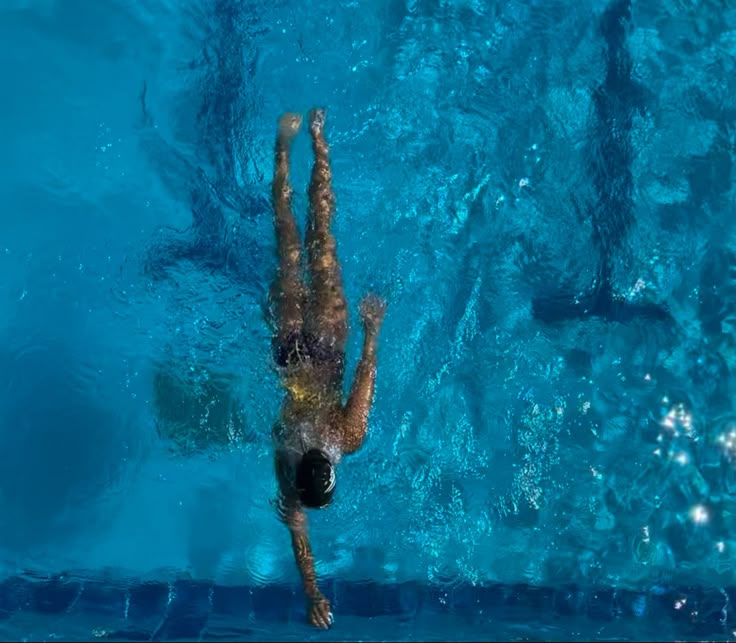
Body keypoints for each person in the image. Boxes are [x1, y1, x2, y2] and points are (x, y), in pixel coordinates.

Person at [268, 109, 386, 629]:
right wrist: (310, 592)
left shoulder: (348, 434)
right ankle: (286, 145)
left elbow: (365, 376)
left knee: (321, 239)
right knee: (290, 243)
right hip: (291, 352)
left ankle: (316, 140)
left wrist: (372, 329)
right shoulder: (287, 472)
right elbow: (298, 535)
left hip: (328, 344)